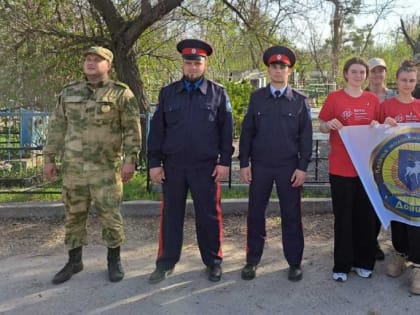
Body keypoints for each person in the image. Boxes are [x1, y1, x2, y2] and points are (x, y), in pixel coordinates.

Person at [44, 46, 142, 284]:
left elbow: (131, 129)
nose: (91, 63)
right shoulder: (69, 92)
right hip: (74, 169)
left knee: (110, 215)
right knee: (74, 215)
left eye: (97, 60)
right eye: (88, 59)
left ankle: (114, 261)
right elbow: (57, 127)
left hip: (106, 169)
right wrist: (49, 158)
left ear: (108, 65)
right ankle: (74, 261)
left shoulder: (121, 93)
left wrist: (131, 160)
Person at [147, 39, 234, 284]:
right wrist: (154, 162)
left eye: (197, 63)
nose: (192, 67)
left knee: (209, 216)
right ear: (182, 64)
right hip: (173, 166)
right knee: (171, 215)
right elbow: (157, 131)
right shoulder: (168, 93)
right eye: (188, 63)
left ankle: (213, 262)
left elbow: (226, 131)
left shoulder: (218, 93)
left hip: (205, 167)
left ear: (205, 64)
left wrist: (224, 161)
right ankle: (165, 262)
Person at [238, 46, 312, 281]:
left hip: (289, 168)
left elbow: (306, 137)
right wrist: (243, 163)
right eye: (274, 67)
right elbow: (247, 132)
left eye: (283, 67)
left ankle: (294, 262)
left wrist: (302, 167)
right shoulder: (256, 98)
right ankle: (252, 260)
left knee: (291, 215)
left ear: (289, 71)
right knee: (255, 214)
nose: (278, 70)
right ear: (268, 70)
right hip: (260, 166)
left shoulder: (300, 101)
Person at [318, 57, 380, 282]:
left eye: (362, 72)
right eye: (354, 72)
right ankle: (342, 265)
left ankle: (364, 261)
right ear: (345, 74)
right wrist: (328, 125)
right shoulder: (334, 98)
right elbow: (322, 125)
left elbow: (381, 127)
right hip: (341, 169)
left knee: (365, 218)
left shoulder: (372, 99)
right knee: (343, 218)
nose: (358, 76)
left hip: (367, 170)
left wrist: (377, 125)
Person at [378, 60, 420, 295]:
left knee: (417, 215)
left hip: (418, 172)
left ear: (416, 82)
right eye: (403, 80)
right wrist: (383, 125)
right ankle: (400, 253)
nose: (407, 84)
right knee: (398, 213)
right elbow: (374, 132)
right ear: (397, 80)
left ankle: (418, 264)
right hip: (392, 169)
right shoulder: (386, 106)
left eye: (411, 80)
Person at [366, 57, 397, 261]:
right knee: (370, 201)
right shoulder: (362, 95)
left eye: (381, 71)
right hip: (367, 152)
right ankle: (370, 241)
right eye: (374, 71)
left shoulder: (393, 95)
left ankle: (399, 247)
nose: (378, 75)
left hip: (391, 153)